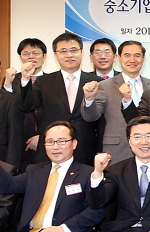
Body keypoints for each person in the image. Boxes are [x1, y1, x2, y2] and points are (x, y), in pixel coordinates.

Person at [18, 32, 100, 165]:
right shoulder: (44, 82)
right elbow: (27, 106)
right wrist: (26, 79)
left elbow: (101, 120)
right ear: (55, 55)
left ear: (81, 52)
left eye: (73, 50)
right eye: (63, 51)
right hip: (52, 150)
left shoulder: (97, 82)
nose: (69, 55)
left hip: (86, 150)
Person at [81, 40, 150, 164]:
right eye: (127, 55)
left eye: (137, 55)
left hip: (148, 151)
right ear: (118, 57)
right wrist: (89, 99)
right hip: (116, 152)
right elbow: (90, 117)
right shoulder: (105, 86)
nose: (132, 60)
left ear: (143, 58)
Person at [3, 38, 47, 167]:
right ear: (20, 57)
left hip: (44, 139)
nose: (31, 56)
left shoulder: (52, 81)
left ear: (44, 57)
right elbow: (6, 108)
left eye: (36, 52)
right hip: (18, 139)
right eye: (26, 53)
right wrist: (7, 84)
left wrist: (42, 136)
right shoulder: (12, 79)